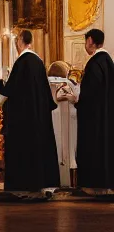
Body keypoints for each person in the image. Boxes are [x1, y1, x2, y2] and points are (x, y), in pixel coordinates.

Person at [0, 30, 59, 198]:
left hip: (23, 119)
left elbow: (10, 90)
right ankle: (42, 186)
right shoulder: (38, 61)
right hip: (39, 118)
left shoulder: (22, 62)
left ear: (20, 41)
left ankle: (25, 186)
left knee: (24, 151)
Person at [71, 29, 114, 194]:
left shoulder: (94, 63)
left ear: (90, 40)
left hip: (94, 120)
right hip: (107, 118)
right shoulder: (109, 62)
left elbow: (89, 95)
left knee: (94, 149)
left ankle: (94, 186)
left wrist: (76, 97)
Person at [48, 61, 78, 187]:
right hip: (69, 120)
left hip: (51, 116)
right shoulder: (69, 83)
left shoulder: (46, 83)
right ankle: (71, 179)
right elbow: (76, 98)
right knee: (69, 149)